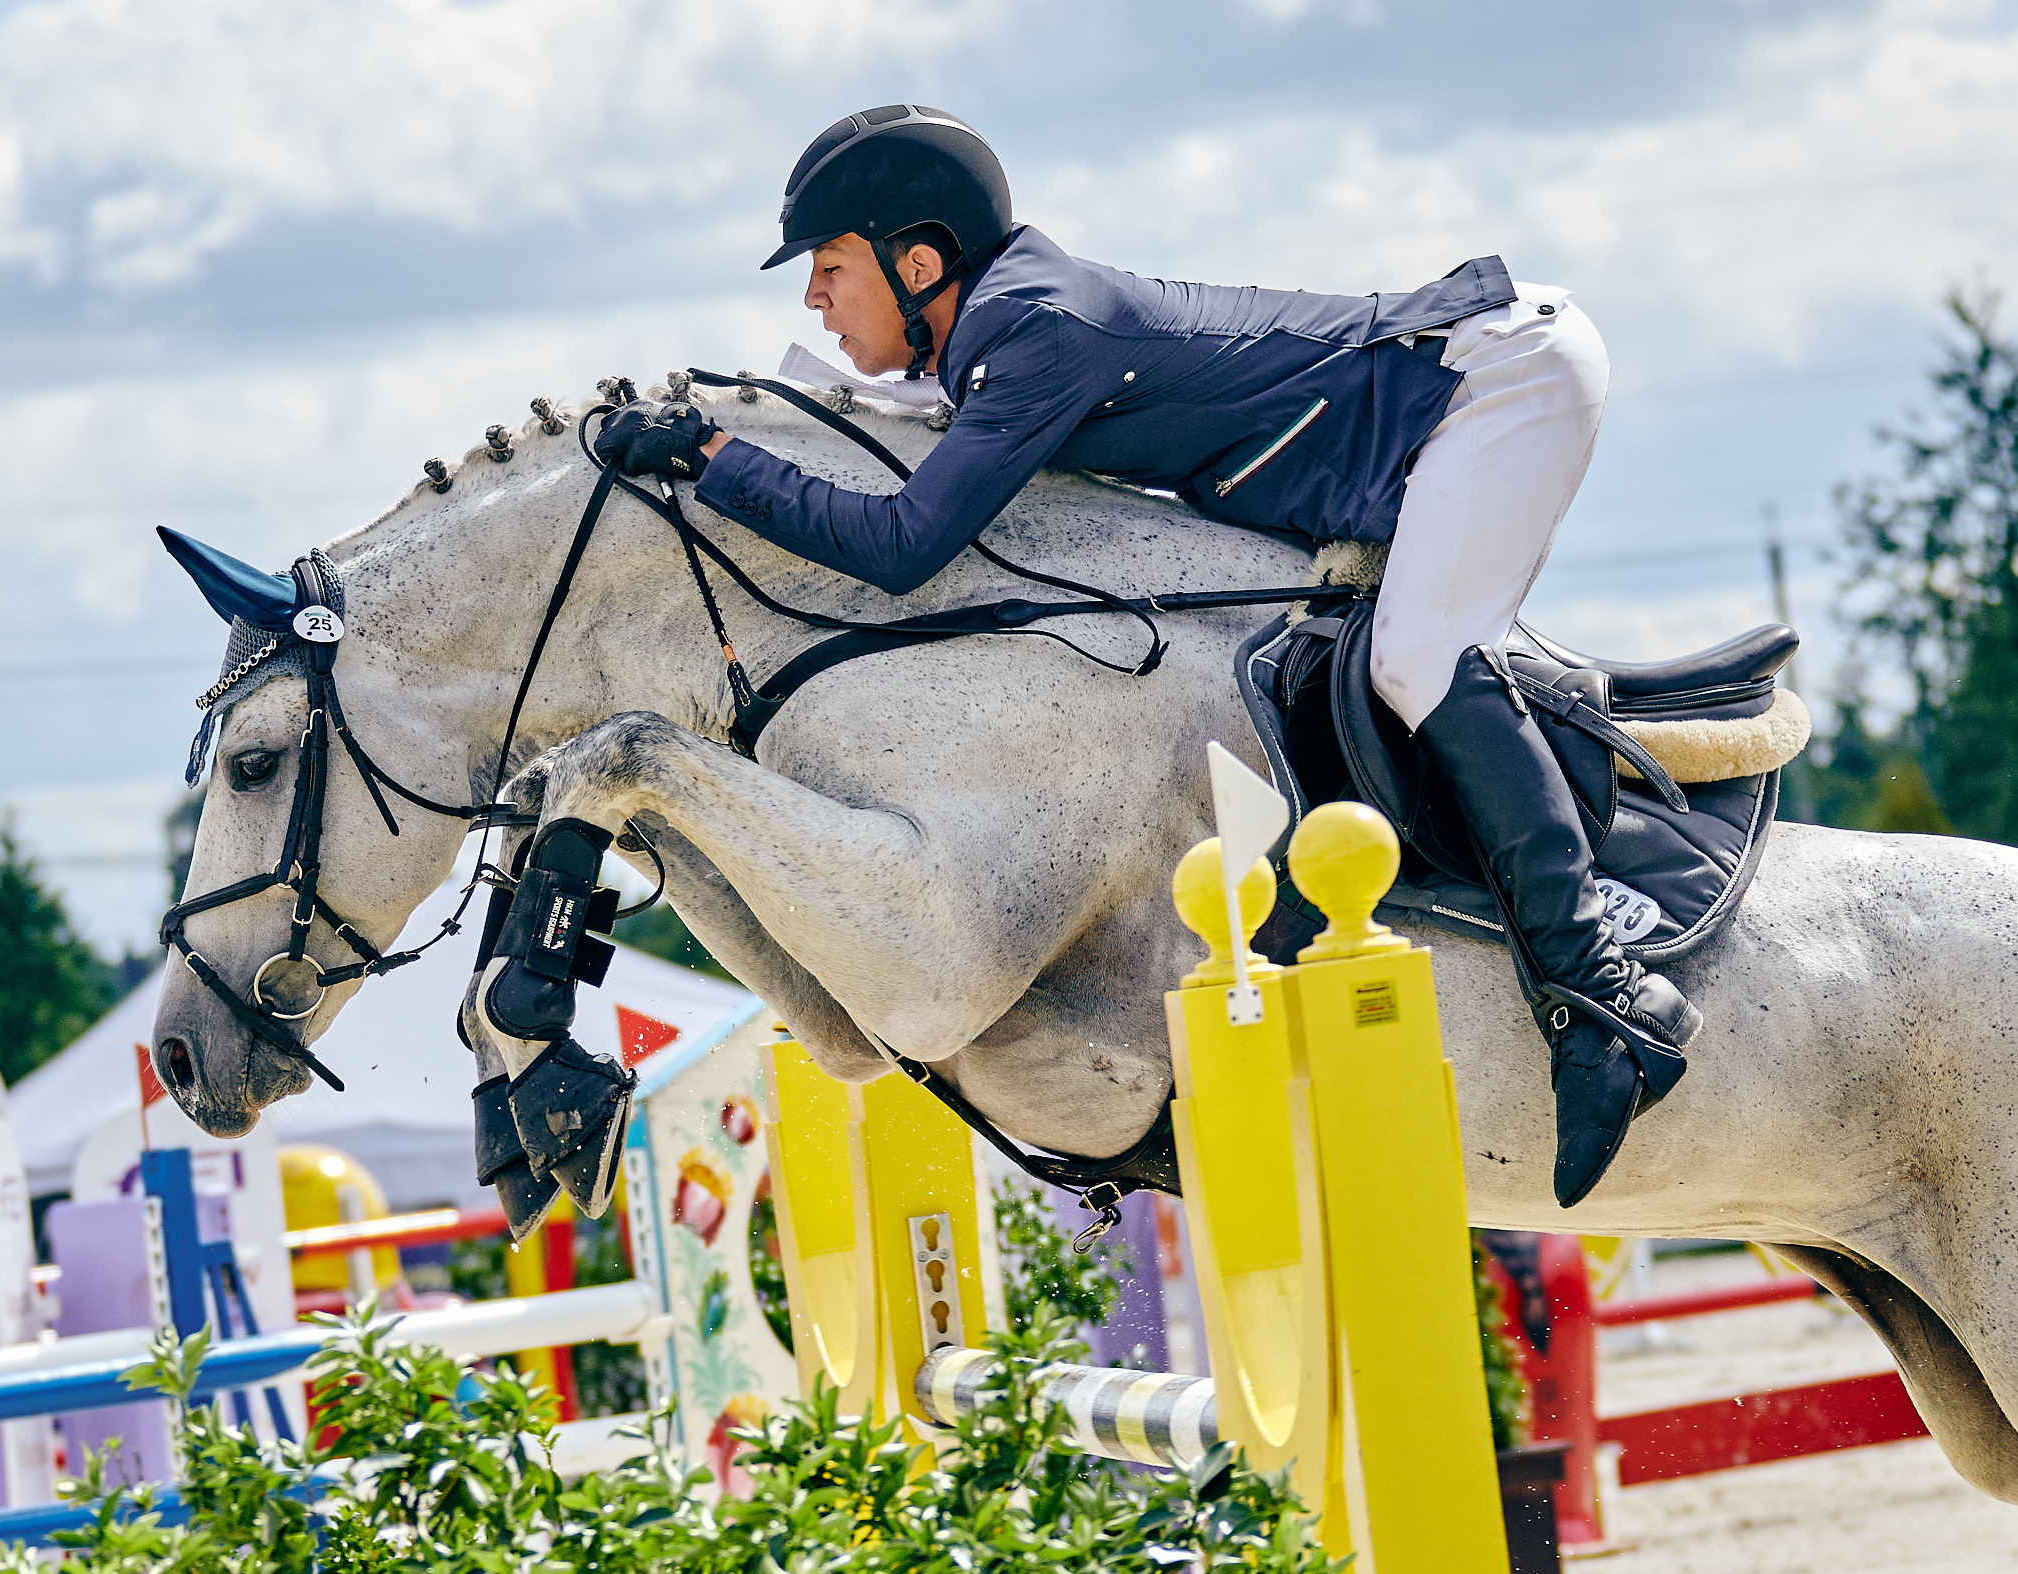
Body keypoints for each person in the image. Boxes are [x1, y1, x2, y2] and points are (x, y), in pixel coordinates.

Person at [596, 103, 1699, 1208]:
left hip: (1496, 378)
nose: (812, 297)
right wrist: (705, 435)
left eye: (830, 266)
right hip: (1440, 394)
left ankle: (1603, 1001)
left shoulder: (1034, 332)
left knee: (1416, 659)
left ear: (918, 260)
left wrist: (714, 456)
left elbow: (900, 545)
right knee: (1402, 652)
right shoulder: (997, 331)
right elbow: (856, 417)